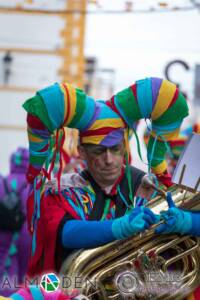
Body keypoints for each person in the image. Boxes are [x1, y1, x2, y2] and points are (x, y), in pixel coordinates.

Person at [22, 77, 189, 276]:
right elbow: (63, 232)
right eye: (99, 151)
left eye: (115, 149)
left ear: (124, 147)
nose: (109, 160)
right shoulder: (61, 190)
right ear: (82, 152)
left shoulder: (151, 189)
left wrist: (185, 221)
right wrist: (118, 228)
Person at [0, 148, 31, 297]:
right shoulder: (34, 186)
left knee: (6, 270)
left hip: (4, 235)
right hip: (27, 237)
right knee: (24, 276)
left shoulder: (2, 182)